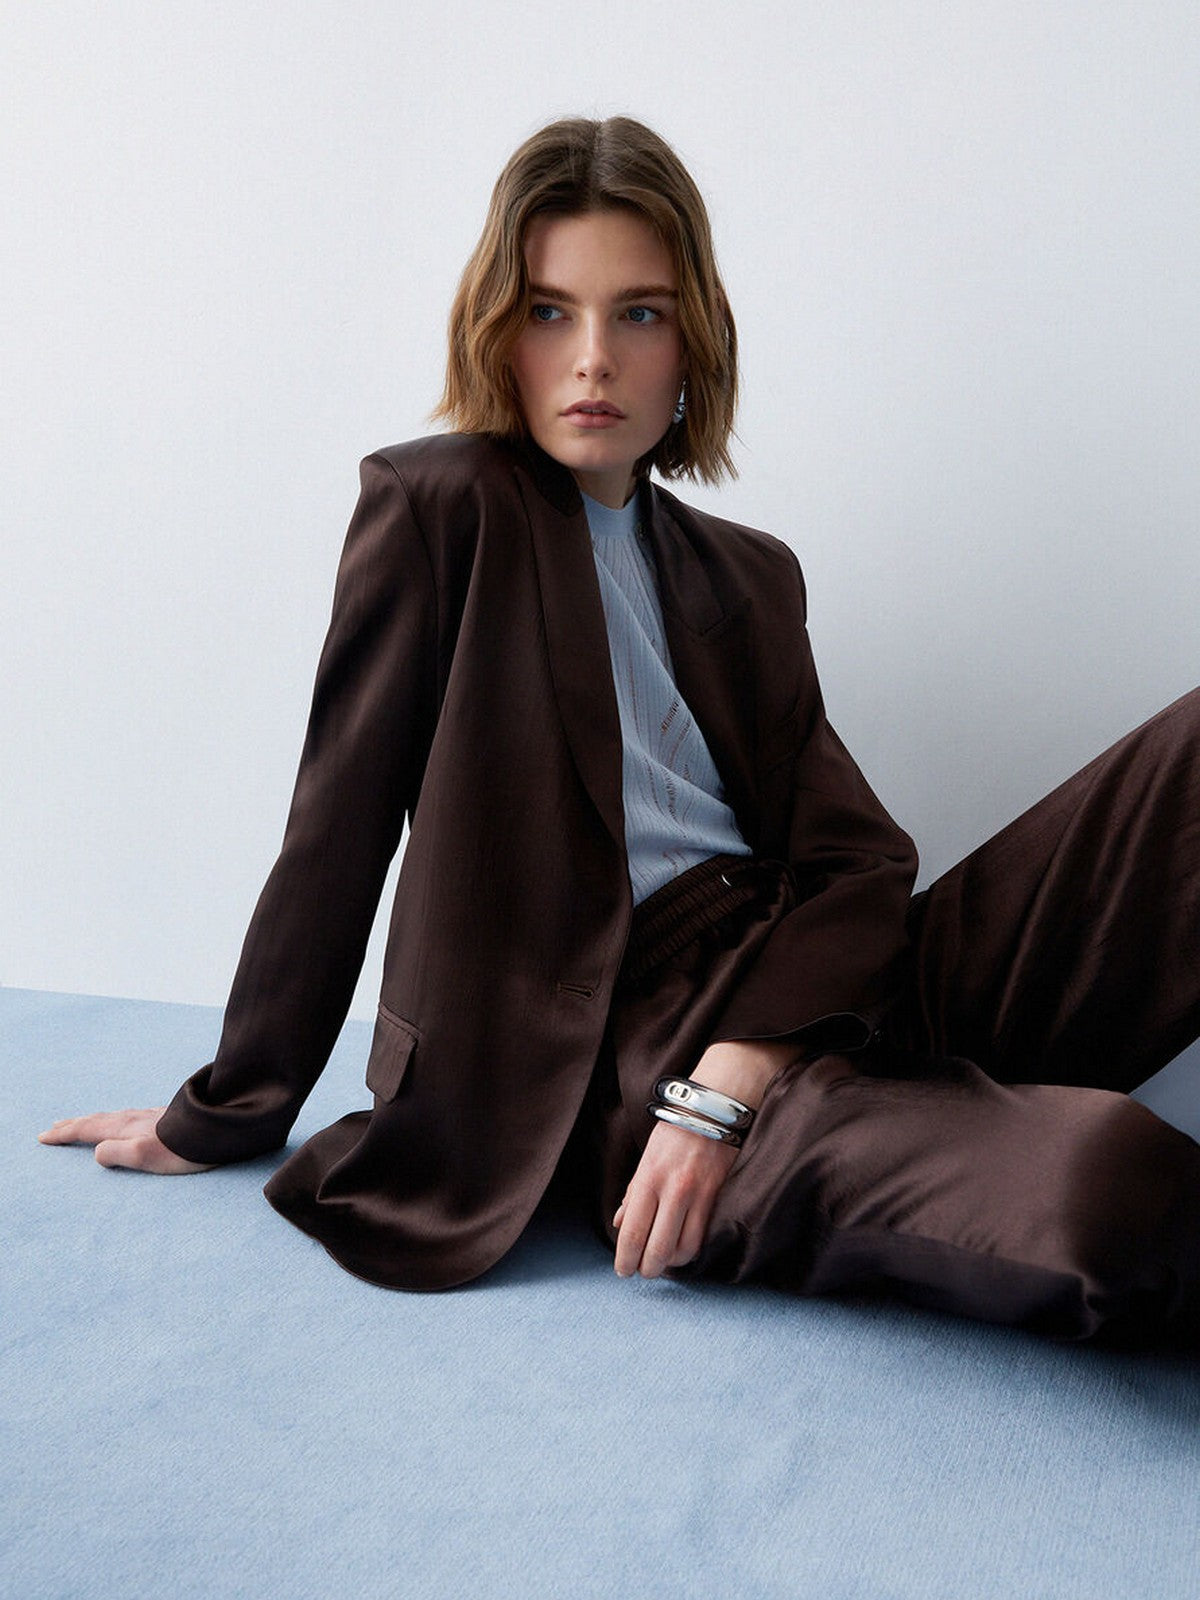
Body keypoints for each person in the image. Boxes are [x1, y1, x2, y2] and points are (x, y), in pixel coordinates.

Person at [41, 116, 1200, 1342]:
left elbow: (856, 858)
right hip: (633, 1048)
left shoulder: (748, 573)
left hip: (811, 979)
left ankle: (908, 1104)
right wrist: (228, 1105)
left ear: (692, 341)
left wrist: (751, 1054)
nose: (592, 358)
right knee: (1102, 1178)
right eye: (551, 312)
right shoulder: (438, 513)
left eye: (639, 313)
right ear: (498, 328)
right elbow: (336, 830)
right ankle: (948, 1130)